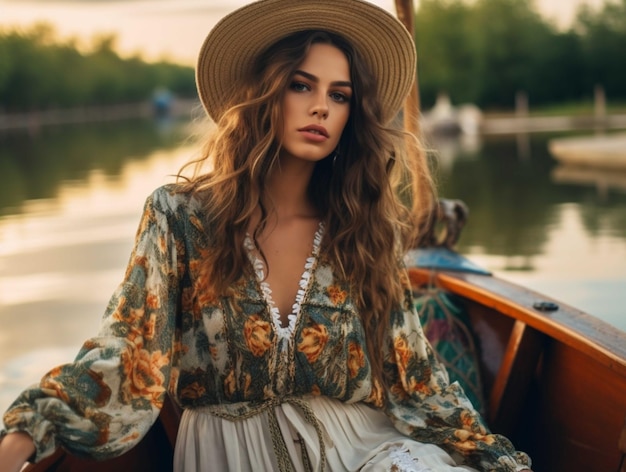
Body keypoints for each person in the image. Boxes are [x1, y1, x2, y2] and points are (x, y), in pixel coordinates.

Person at [0, 0, 533, 471]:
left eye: (340, 95)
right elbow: (129, 353)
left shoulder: (366, 229)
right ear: (264, 93)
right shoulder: (179, 217)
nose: (321, 106)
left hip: (364, 448)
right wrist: (25, 434)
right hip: (230, 453)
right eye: (302, 85)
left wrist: (489, 457)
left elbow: (413, 372)